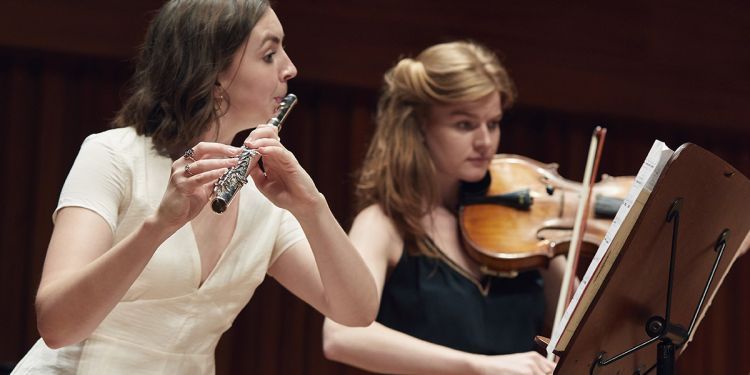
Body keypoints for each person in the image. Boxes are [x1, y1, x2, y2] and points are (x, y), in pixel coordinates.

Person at [12, 1, 378, 373]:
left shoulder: (260, 196)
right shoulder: (113, 156)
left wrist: (312, 207)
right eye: (269, 54)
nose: (290, 67)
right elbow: (57, 327)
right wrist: (157, 228)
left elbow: (356, 312)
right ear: (214, 72)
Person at [322, 41, 561, 374]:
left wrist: (557, 239)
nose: (485, 142)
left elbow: (584, 326)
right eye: (465, 125)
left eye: (492, 123)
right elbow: (341, 336)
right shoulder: (384, 224)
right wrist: (479, 368)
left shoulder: (524, 223)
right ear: (419, 125)